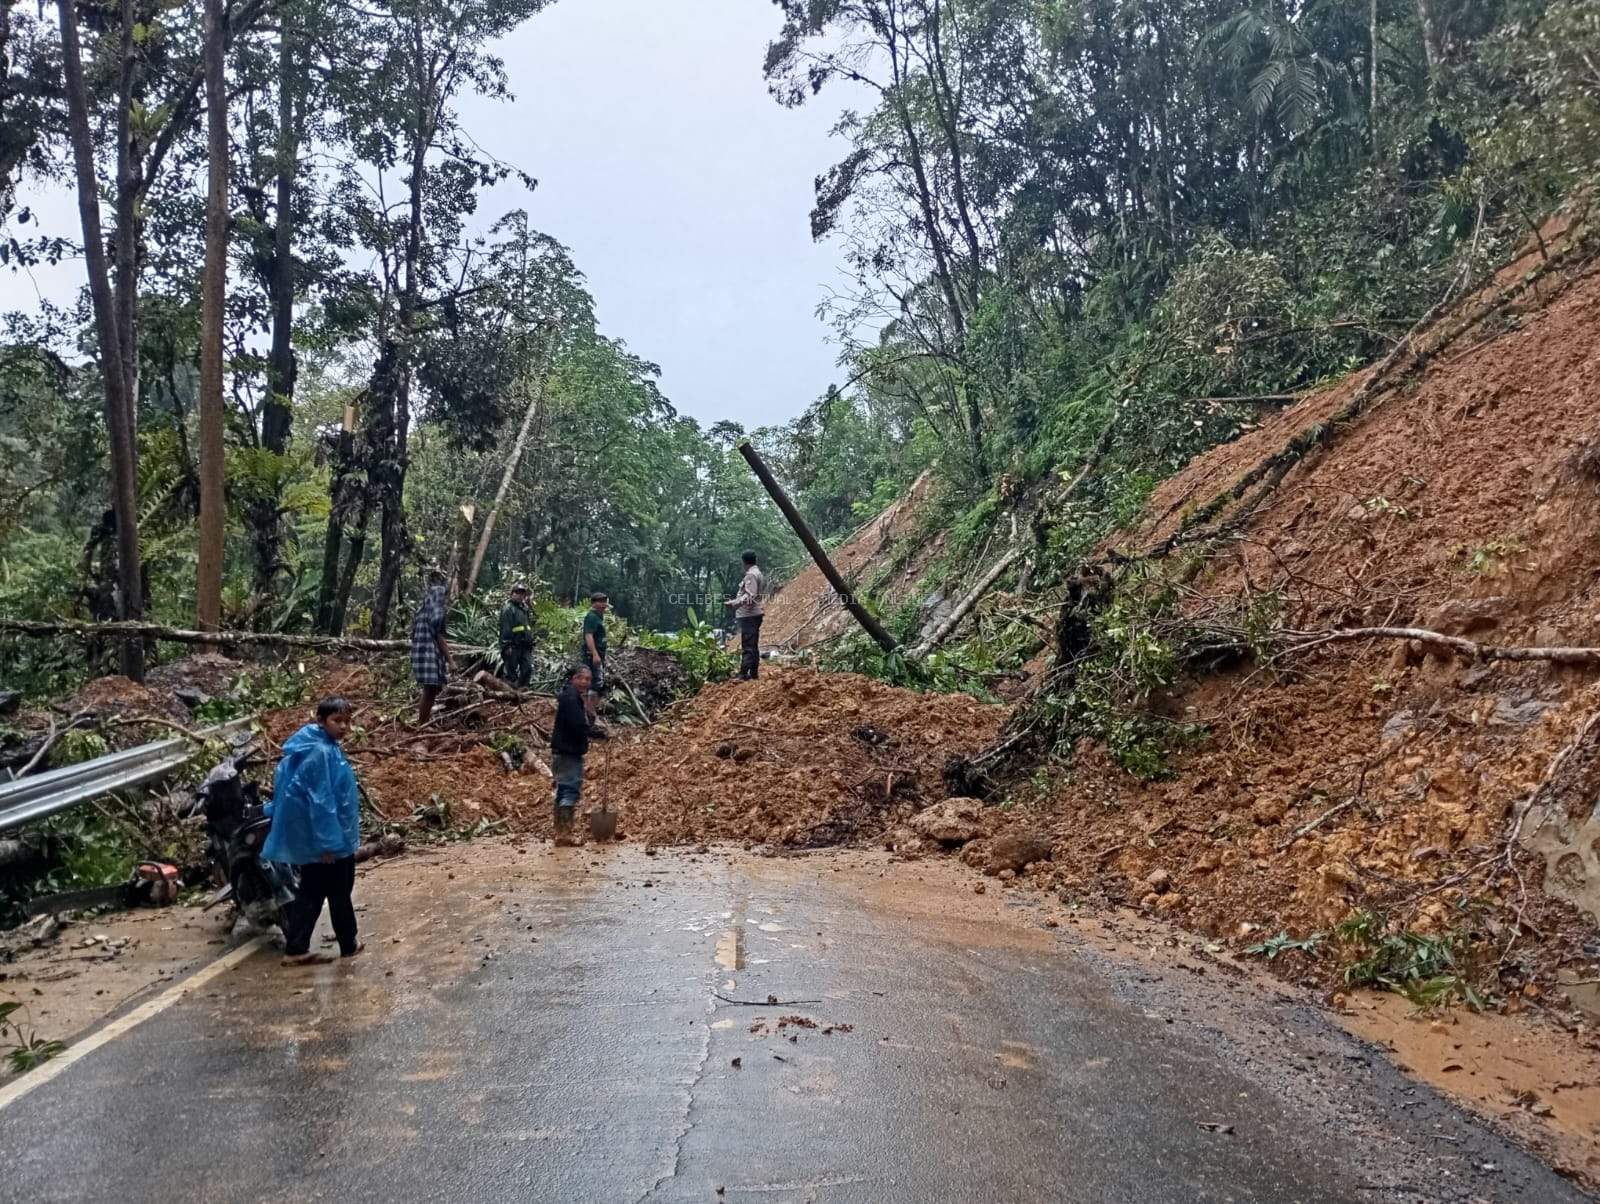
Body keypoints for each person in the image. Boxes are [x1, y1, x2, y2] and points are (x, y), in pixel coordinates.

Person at [265, 698, 362, 965]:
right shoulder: (321, 753)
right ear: (321, 720)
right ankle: (348, 943)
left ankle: (297, 948)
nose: (343, 727)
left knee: (312, 891)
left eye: (347, 722)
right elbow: (322, 803)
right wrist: (327, 844)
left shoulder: (314, 748)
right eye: (337, 721)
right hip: (328, 842)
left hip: (317, 839)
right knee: (339, 891)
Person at [550, 663, 593, 846]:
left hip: (562, 750)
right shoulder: (571, 698)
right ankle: (565, 834)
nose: (584, 682)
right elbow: (577, 725)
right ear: (572, 678)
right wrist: (595, 733)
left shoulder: (570, 696)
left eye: (588, 679)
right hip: (569, 752)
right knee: (569, 790)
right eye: (581, 678)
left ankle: (560, 833)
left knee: (562, 791)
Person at [411, 568, 452, 723]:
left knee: (432, 689)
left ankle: (423, 722)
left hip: (420, 652)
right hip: (428, 653)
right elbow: (440, 637)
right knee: (429, 690)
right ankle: (422, 724)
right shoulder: (436, 613)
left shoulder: (422, 611)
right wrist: (451, 661)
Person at [727, 550, 765, 681]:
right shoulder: (757, 573)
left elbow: (751, 594)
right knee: (753, 645)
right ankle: (753, 673)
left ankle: (743, 674)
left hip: (749, 615)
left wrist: (736, 603)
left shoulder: (751, 575)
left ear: (743, 562)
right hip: (754, 614)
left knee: (748, 645)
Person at [499, 582, 534, 688]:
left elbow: (527, 626)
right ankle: (510, 693)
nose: (520, 595)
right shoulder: (508, 609)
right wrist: (506, 645)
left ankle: (523, 690)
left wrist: (531, 640)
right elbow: (505, 628)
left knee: (527, 668)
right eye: (517, 593)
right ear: (512, 594)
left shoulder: (525, 609)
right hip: (513, 645)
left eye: (522, 593)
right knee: (511, 671)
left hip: (525, 645)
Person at [581, 592, 608, 696]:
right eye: (601, 602)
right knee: (595, 681)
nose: (604, 605)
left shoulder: (598, 617)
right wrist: (595, 654)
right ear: (594, 603)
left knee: (595, 680)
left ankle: (589, 705)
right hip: (592, 654)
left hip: (598, 653)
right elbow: (589, 636)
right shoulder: (592, 617)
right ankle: (588, 706)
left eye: (605, 602)